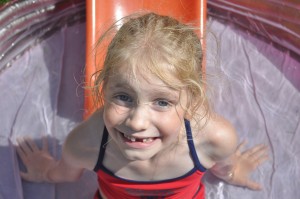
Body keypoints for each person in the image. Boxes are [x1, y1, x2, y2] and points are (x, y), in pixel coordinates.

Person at [16, 13, 268, 199]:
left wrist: (48, 172)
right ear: (103, 88)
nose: (137, 122)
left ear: (192, 100)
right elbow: (225, 169)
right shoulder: (86, 142)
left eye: (162, 102)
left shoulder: (214, 138)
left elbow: (65, 175)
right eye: (124, 97)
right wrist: (45, 170)